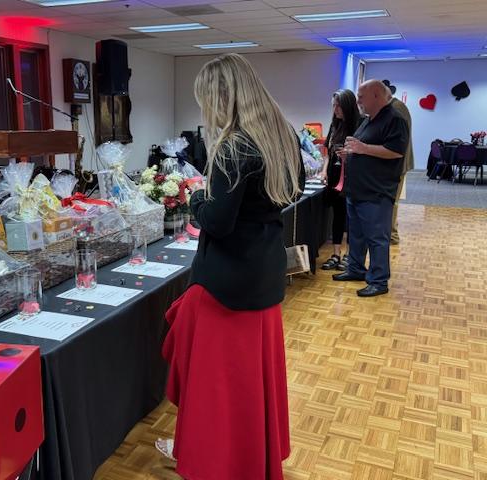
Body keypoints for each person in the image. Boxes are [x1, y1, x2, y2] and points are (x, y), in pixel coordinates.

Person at [159, 53, 304, 480]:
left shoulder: (234, 146)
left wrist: (195, 199)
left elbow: (218, 222)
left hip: (225, 284)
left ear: (221, 97)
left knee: (215, 388)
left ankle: (210, 460)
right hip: (263, 273)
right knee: (248, 384)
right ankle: (248, 458)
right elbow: (288, 195)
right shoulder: (282, 135)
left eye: (206, 100)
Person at [332, 79, 409, 297]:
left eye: (361, 97)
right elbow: (362, 148)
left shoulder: (395, 119)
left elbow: (396, 151)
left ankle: (378, 281)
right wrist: (350, 154)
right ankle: (356, 269)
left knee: (377, 239)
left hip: (376, 191)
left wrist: (363, 148)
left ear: (376, 95)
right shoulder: (368, 120)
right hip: (357, 190)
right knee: (356, 235)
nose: (358, 101)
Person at [319, 89, 361, 270]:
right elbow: (328, 153)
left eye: (339, 106)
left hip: (351, 177)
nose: (335, 109)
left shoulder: (359, 125)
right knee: (337, 214)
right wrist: (324, 171)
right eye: (334, 105)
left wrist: (349, 155)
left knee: (350, 217)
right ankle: (336, 254)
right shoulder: (334, 125)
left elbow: (363, 153)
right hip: (335, 177)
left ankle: (349, 255)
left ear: (348, 106)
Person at [389, 96, 414, 244]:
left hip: (397, 165)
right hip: (396, 164)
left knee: (392, 201)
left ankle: (392, 235)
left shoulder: (397, 108)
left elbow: (398, 143)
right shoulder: (396, 106)